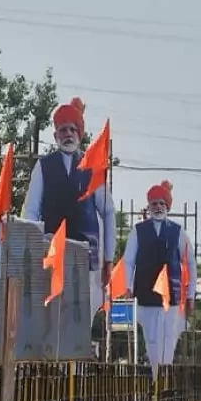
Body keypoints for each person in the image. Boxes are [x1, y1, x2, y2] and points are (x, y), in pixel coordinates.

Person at [23, 97, 116, 321]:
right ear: (55, 136)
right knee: (51, 316)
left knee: (81, 316)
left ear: (79, 134)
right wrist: (33, 249)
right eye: (63, 130)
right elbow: (31, 212)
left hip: (87, 255)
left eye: (72, 130)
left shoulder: (92, 166)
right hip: (52, 251)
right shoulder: (44, 166)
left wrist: (109, 259)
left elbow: (108, 211)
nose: (68, 134)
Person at [121, 181, 195, 375]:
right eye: (154, 203)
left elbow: (190, 265)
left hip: (172, 296)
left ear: (167, 206)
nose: (158, 207)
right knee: (151, 340)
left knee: (168, 338)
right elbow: (128, 261)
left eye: (162, 203)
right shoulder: (138, 231)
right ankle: (155, 378)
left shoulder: (178, 232)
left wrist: (191, 296)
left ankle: (164, 379)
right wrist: (127, 286)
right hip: (146, 295)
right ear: (149, 206)